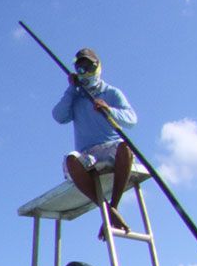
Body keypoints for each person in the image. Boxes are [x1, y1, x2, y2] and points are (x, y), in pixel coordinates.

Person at [51, 47, 136, 238]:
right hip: (88, 152)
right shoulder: (76, 96)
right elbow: (58, 116)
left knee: (126, 148)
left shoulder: (111, 92)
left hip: (111, 147)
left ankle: (113, 206)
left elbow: (131, 119)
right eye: (80, 69)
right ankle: (107, 209)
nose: (84, 73)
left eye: (88, 67)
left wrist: (109, 110)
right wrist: (71, 89)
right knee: (71, 160)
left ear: (97, 67)